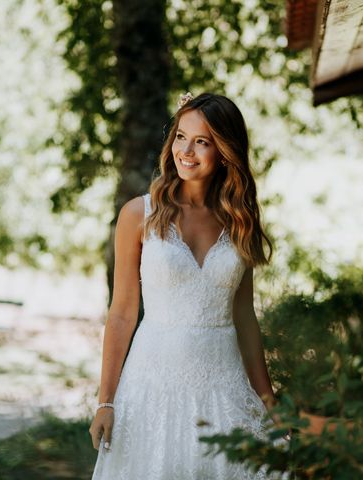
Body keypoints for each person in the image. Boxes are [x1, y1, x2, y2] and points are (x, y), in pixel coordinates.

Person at [90, 92, 284, 479]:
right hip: (151, 386)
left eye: (202, 141)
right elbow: (123, 313)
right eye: (180, 136)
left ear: (226, 151)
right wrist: (105, 402)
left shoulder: (240, 221)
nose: (186, 151)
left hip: (223, 388)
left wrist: (270, 404)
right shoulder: (138, 214)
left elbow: (245, 318)